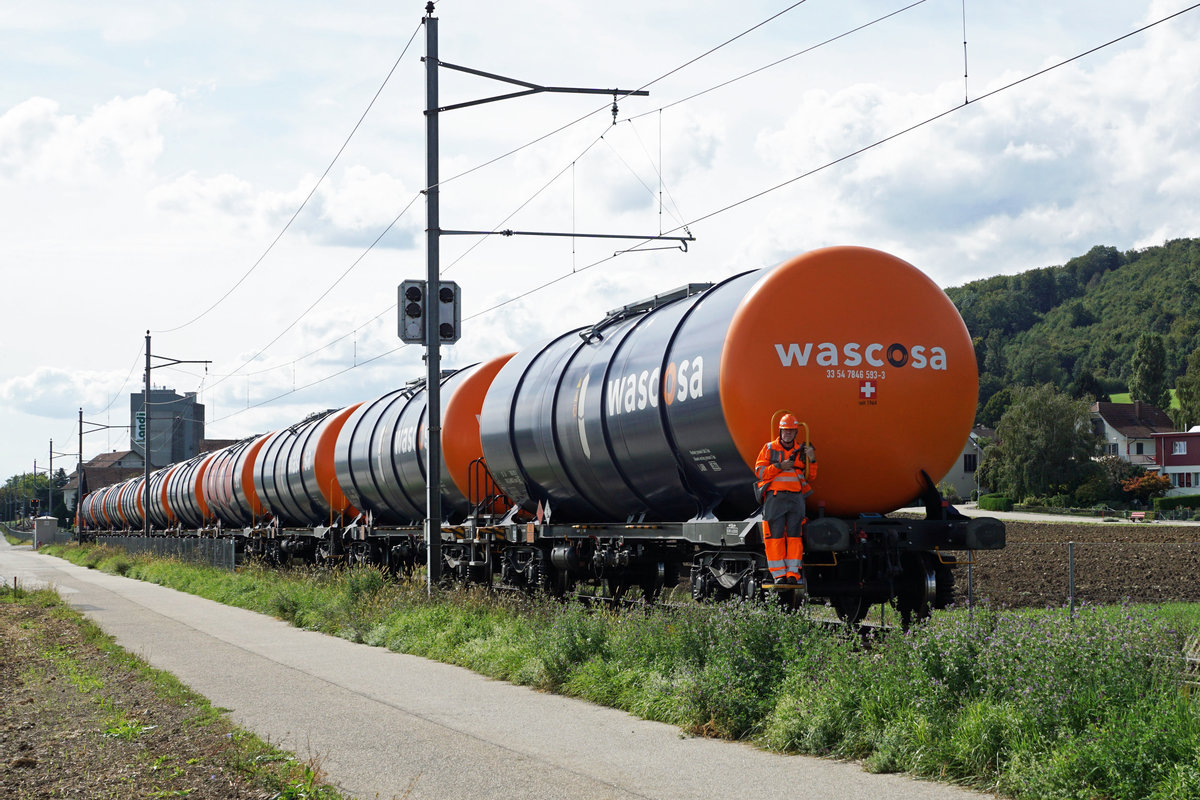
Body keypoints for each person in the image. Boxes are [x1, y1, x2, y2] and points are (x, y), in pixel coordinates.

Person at [754, 414, 817, 585]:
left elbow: (811, 476)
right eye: (785, 430)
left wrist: (812, 458)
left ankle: (792, 574)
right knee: (775, 536)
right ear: (780, 431)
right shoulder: (769, 448)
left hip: (796, 498)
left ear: (796, 432)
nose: (787, 433)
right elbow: (760, 472)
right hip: (775, 497)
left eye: (791, 431)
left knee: (795, 536)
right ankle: (779, 575)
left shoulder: (802, 450)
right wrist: (779, 466)